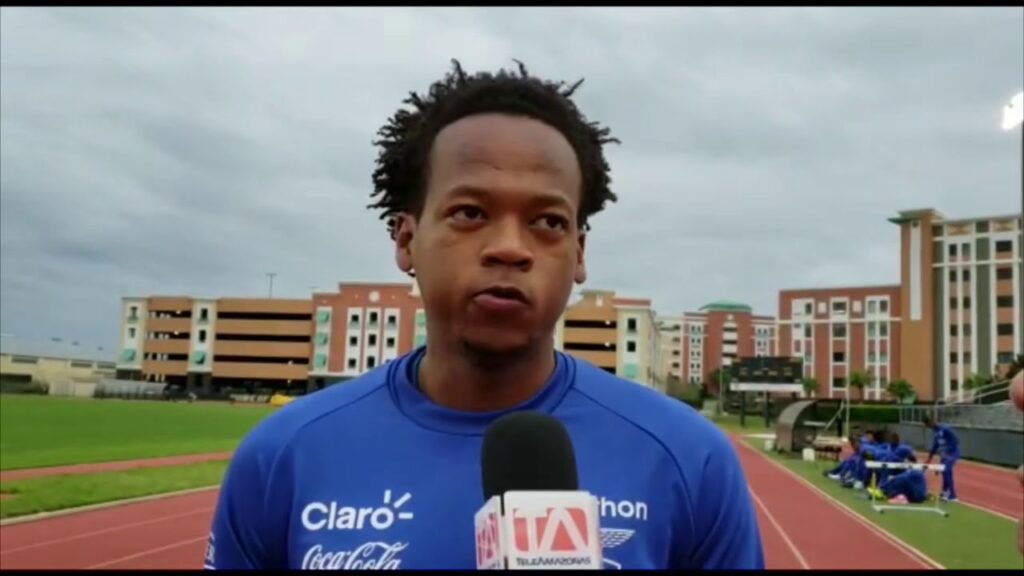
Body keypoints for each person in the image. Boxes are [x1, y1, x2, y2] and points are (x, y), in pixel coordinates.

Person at [204, 60, 764, 570]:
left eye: (547, 222)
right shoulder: (283, 456)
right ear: (407, 239)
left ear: (580, 254)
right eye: (470, 212)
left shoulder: (690, 459)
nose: (510, 248)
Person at [923, 413, 960, 502]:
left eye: (929, 424)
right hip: (944, 454)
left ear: (933, 421)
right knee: (945, 473)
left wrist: (947, 451)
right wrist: (929, 458)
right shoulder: (935, 432)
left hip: (952, 453)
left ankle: (953, 496)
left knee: (946, 471)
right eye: (927, 426)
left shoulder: (945, 429)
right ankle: (944, 492)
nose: (929, 427)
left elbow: (956, 441)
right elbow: (935, 446)